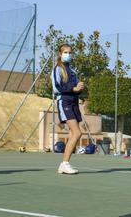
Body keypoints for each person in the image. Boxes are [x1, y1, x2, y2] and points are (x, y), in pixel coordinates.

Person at [53, 43, 85, 175]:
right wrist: (73, 89)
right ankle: (64, 163)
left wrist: (80, 87)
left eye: (70, 52)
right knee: (77, 133)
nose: (68, 55)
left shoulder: (73, 71)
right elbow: (57, 87)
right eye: (65, 52)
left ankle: (64, 164)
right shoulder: (57, 69)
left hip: (73, 102)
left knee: (73, 134)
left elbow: (76, 88)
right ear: (60, 54)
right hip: (64, 101)